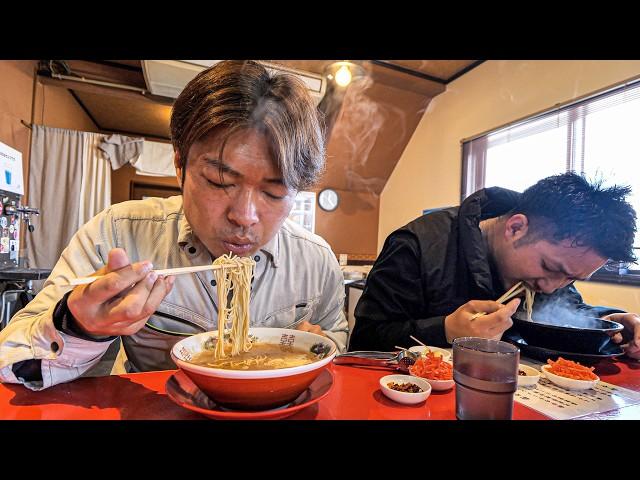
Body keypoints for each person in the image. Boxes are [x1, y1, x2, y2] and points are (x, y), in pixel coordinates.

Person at [0, 60, 348, 390]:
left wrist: (321, 345)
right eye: (219, 181)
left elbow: (335, 340)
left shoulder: (315, 263)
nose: (244, 216)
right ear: (180, 165)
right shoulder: (118, 234)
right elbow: (10, 360)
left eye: (274, 192)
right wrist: (79, 326)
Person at [349, 172, 640, 359]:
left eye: (571, 279)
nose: (552, 286)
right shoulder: (417, 245)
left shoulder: (557, 270)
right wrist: (446, 329)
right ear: (516, 228)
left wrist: (611, 321)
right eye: (550, 267)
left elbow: (564, 313)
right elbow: (363, 344)